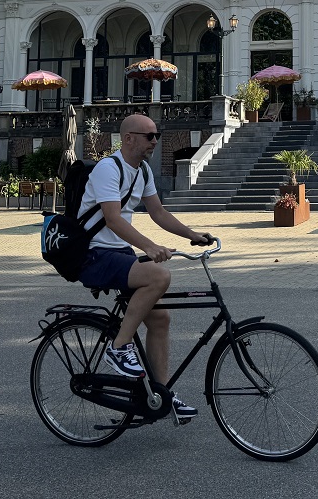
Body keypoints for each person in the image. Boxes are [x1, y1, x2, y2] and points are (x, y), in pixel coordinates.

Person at [76, 112, 213, 420]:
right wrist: (149, 247)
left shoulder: (143, 171)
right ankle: (119, 346)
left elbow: (158, 212)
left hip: (118, 252)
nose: (155, 140)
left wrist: (192, 235)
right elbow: (111, 218)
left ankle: (160, 396)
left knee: (161, 319)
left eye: (157, 135)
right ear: (128, 138)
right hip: (94, 253)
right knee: (158, 276)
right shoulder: (107, 169)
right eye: (149, 135)